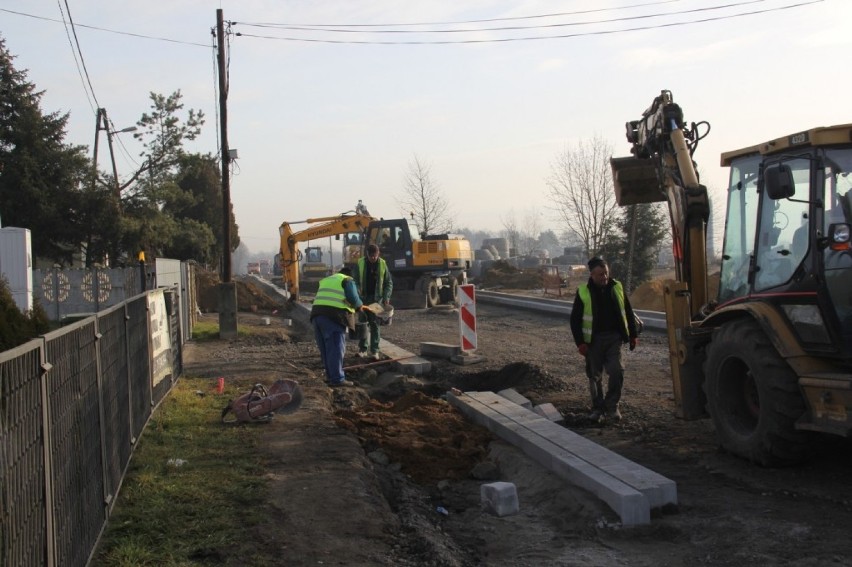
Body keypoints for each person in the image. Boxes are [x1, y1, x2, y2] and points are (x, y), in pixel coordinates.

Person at [570, 256, 639, 423]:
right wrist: (580, 343)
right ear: (592, 275)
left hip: (614, 338)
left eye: (606, 273)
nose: (604, 277)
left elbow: (628, 312)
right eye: (600, 274)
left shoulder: (617, 287)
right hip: (593, 341)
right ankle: (597, 408)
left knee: (616, 371)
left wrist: (633, 334)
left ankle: (612, 406)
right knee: (595, 377)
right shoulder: (583, 292)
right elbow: (575, 320)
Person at [310, 266, 371, 387]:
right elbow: (353, 297)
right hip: (333, 318)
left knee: (326, 350)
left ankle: (330, 376)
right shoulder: (347, 280)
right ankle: (337, 379)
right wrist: (359, 307)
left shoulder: (327, 280)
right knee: (336, 349)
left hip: (316, 316)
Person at [353, 243, 393, 359]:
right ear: (367, 255)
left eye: (375, 256)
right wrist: (357, 295)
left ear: (378, 254)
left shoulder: (382, 264)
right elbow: (354, 281)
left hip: (377, 300)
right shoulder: (360, 263)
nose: (373, 258)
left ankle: (375, 351)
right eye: (371, 256)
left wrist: (386, 297)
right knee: (363, 324)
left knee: (375, 324)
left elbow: (388, 283)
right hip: (363, 299)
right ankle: (362, 350)